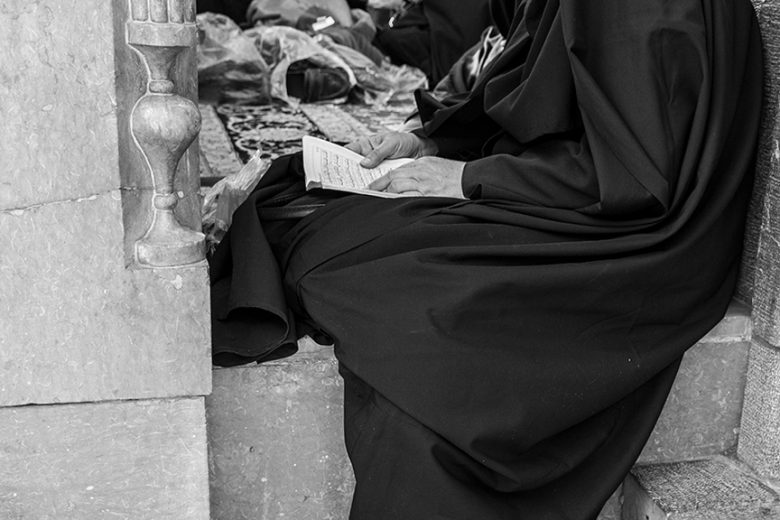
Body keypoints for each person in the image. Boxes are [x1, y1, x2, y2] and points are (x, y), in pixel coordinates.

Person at [209, 0, 763, 518]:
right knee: (304, 208)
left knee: (418, 313)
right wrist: (432, 143)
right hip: (579, 188)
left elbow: (640, 174)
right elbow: (542, 95)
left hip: (643, 232)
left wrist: (468, 178)